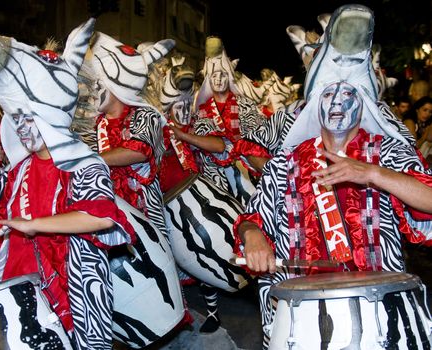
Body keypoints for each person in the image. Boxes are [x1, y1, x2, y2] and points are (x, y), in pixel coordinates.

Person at [233, 5, 432, 348]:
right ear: (315, 104)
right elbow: (252, 220)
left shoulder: (384, 152)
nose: (338, 102)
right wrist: (253, 237)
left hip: (376, 309)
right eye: (328, 93)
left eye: (348, 93)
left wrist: (370, 172)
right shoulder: (288, 161)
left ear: (364, 102)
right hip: (300, 313)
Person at [0, 18, 135, 349]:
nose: (22, 128)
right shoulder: (16, 170)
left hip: (78, 292)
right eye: (16, 119)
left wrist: (35, 224)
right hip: (23, 294)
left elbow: (101, 217)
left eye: (28, 118)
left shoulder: (84, 163)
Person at [81, 32, 175, 238]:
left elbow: (138, 150)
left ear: (116, 84)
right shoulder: (95, 124)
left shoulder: (147, 114)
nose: (92, 90)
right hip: (109, 215)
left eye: (97, 83)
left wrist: (89, 160)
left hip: (148, 216)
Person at [170, 36, 270, 207]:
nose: (218, 79)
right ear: (208, 78)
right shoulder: (200, 110)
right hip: (215, 181)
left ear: (229, 77)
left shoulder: (246, 104)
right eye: (213, 75)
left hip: (249, 177)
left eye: (222, 74)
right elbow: (214, 145)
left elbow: (258, 139)